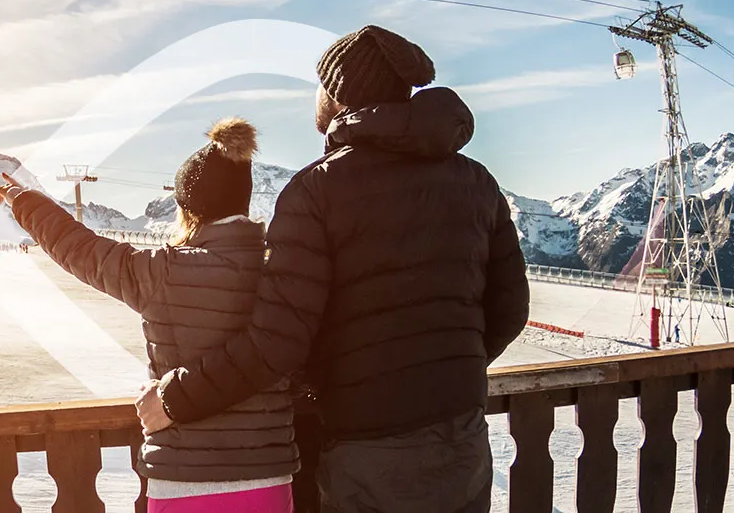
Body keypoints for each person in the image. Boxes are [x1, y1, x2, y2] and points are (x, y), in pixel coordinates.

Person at [134, 25, 529, 513]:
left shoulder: (316, 191)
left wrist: (174, 399)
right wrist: (444, 370)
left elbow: (277, 341)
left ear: (339, 93)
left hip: (369, 449)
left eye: (319, 84)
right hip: (463, 436)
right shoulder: (476, 181)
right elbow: (510, 308)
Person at [0, 118, 295, 512]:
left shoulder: (162, 271)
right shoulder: (283, 273)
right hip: (267, 479)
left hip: (183, 481)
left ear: (186, 209)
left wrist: (25, 203)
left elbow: (81, 249)